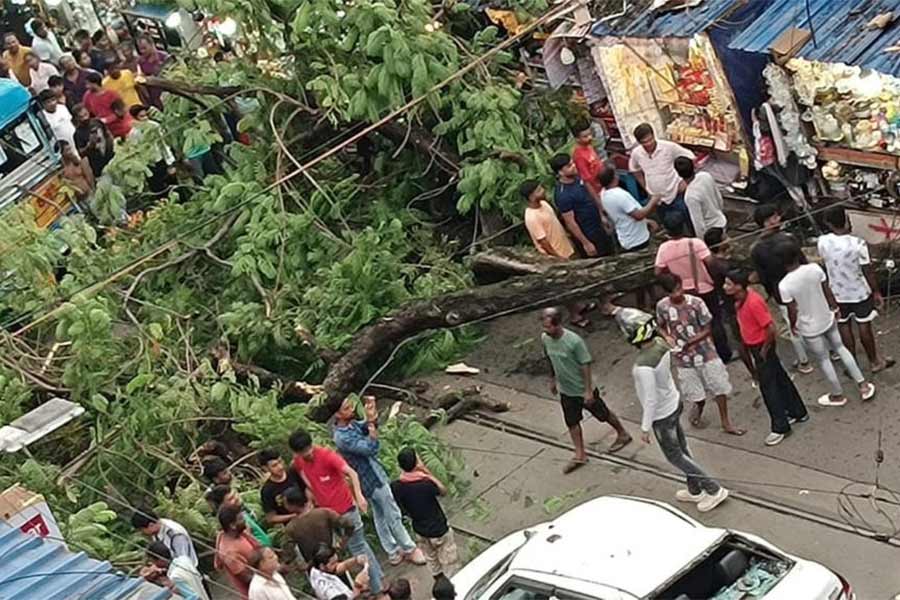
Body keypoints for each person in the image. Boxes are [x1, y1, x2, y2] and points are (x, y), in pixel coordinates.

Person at [613, 305, 728, 512]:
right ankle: (695, 490)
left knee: (675, 456)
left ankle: (713, 489)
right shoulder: (660, 344)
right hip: (674, 402)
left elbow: (650, 399)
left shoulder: (643, 366)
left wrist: (645, 427)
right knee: (682, 450)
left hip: (661, 415)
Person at [778, 240, 875, 406]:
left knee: (823, 359)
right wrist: (835, 307)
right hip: (826, 317)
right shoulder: (815, 269)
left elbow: (792, 309)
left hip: (809, 327)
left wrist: (793, 325)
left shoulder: (784, 285)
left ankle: (837, 395)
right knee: (841, 348)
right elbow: (827, 290)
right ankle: (863, 385)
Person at [333, 394, 425, 566]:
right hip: (371, 478)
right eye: (346, 408)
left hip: (371, 474)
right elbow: (370, 448)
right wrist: (371, 427)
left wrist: (371, 418)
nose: (352, 409)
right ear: (337, 415)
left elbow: (366, 427)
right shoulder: (342, 437)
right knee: (393, 513)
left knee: (380, 515)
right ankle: (409, 548)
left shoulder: (350, 425)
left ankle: (392, 551)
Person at [289, 429, 384, 594]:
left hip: (346, 509)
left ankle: (378, 589)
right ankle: (377, 579)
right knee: (355, 548)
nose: (308, 454)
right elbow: (303, 477)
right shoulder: (298, 462)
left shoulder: (327, 456)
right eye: (304, 453)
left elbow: (351, 473)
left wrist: (359, 496)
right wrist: (311, 497)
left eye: (309, 449)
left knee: (358, 547)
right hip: (327, 516)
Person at [540, 307, 632, 472]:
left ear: (558, 324)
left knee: (603, 414)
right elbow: (549, 358)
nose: (546, 330)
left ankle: (622, 433)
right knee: (572, 422)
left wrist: (588, 390)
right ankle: (580, 454)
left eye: (549, 327)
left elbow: (586, 364)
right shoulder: (545, 339)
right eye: (544, 327)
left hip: (582, 389)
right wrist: (552, 379)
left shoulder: (574, 341)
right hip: (566, 390)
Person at [725, 269, 809, 446]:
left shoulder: (753, 302)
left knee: (769, 387)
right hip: (757, 346)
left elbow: (770, 328)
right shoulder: (741, 302)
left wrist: (764, 349)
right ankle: (797, 411)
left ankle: (780, 426)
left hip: (761, 347)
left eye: (729, 284)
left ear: (739, 286)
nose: (725, 287)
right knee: (780, 378)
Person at [655, 273, 743, 435]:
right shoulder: (662, 306)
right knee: (695, 392)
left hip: (705, 352)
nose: (677, 294)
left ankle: (726, 422)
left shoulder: (696, 303)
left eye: (678, 289)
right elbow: (659, 325)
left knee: (719, 387)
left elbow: (707, 329)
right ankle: (698, 407)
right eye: (672, 292)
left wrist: (692, 341)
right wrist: (667, 336)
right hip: (683, 358)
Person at [818, 205, 893, 372]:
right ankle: (874, 362)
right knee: (864, 326)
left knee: (844, 327)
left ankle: (852, 365)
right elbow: (868, 271)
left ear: (828, 224)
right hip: (859, 293)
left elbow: (825, 263)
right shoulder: (858, 243)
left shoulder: (823, 242)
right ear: (846, 221)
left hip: (837, 293)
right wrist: (876, 292)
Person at [654, 211, 732, 362]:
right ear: (683, 226)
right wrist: (716, 281)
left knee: (692, 322)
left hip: (682, 290)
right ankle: (724, 354)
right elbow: (711, 262)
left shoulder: (664, 248)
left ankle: (701, 353)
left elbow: (657, 271)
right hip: (704, 288)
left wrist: (672, 278)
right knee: (714, 320)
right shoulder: (695, 243)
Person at [750, 204, 812, 373]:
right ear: (765, 222)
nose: (778, 219)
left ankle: (804, 362)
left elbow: (763, 277)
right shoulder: (788, 238)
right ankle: (828, 350)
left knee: (793, 325)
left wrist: (771, 293)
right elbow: (803, 261)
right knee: (811, 316)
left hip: (780, 292)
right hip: (800, 285)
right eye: (774, 217)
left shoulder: (756, 249)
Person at [521, 180, 589, 327]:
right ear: (531, 197)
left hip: (566, 247)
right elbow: (543, 241)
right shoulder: (531, 217)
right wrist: (556, 257)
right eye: (538, 190)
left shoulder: (545, 204)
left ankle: (580, 305)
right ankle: (574, 315)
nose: (542, 191)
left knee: (574, 279)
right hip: (556, 254)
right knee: (564, 287)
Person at [391, 448, 461, 579]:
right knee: (450, 564)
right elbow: (443, 491)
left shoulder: (396, 486)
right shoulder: (425, 483)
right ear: (416, 463)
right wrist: (427, 473)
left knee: (432, 562)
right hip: (438, 529)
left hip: (420, 530)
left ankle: (439, 583)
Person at [704, 228, 755, 379]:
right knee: (744, 339)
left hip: (726, 304)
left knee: (740, 338)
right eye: (725, 237)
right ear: (720, 244)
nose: (729, 239)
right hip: (735, 304)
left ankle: (753, 372)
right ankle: (755, 371)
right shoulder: (725, 266)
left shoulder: (712, 262)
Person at [628, 123, 695, 228]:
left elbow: (690, 157)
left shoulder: (668, 147)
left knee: (689, 222)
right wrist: (646, 187)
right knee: (668, 225)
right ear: (639, 142)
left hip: (675, 195)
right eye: (645, 142)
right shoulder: (636, 153)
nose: (649, 144)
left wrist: (686, 181)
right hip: (657, 199)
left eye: (650, 140)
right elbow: (634, 169)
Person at [549, 153, 613, 257]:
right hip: (588, 233)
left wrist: (601, 214)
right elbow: (570, 222)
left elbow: (590, 192)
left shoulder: (577, 178)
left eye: (572, 163)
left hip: (598, 226)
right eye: (569, 166)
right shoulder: (562, 195)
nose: (574, 166)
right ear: (560, 172)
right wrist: (586, 243)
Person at [281, 485, 354, 563]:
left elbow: (289, 552)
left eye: (285, 503)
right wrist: (343, 542)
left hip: (314, 566)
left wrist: (299, 566)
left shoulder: (291, 527)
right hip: (333, 559)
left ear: (292, 504)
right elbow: (349, 524)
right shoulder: (324, 512)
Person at [598, 165, 658, 252]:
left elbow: (624, 215)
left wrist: (646, 221)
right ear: (614, 177)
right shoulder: (619, 195)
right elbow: (638, 215)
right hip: (637, 239)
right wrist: (653, 200)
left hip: (626, 236)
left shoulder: (603, 193)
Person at [215, 504, 262, 599]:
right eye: (241, 518)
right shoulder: (229, 553)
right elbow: (247, 578)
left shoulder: (237, 533)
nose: (245, 520)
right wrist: (272, 576)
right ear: (232, 525)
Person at [129, 104, 177, 194]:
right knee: (158, 189)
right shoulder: (134, 133)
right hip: (149, 164)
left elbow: (163, 144)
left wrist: (170, 162)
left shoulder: (154, 126)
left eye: (146, 115)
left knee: (173, 186)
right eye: (142, 116)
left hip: (161, 160)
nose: (145, 118)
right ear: (136, 118)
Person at [675, 156, 726, 239]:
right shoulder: (705, 176)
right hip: (720, 220)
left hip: (710, 229)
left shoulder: (690, 196)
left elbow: (698, 223)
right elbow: (719, 198)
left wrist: (701, 241)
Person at [205, 485, 272, 547]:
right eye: (231, 499)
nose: (236, 498)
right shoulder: (232, 522)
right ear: (221, 506)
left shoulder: (240, 512)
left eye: (235, 494)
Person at [142, 540, 210, 600]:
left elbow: (193, 597)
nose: (153, 564)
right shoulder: (184, 559)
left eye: (153, 561)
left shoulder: (175, 576)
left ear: (160, 560)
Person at [131, 510, 199, 567]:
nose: (143, 533)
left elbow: (183, 560)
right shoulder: (156, 531)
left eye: (142, 530)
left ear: (151, 525)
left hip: (188, 571)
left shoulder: (176, 535)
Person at [258, 448, 302, 526]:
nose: (280, 467)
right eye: (274, 465)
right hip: (294, 525)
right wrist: (295, 516)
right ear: (265, 468)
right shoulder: (267, 490)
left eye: (280, 462)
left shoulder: (293, 472)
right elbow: (271, 518)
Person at [571, 120, 606, 199]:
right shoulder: (579, 156)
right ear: (577, 139)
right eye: (585, 137)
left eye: (590, 134)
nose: (590, 138)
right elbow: (587, 181)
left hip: (602, 184)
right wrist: (597, 200)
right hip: (597, 191)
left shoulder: (589, 147)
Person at [136, 35, 170, 107]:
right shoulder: (141, 61)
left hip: (168, 90)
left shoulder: (163, 56)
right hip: (154, 95)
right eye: (140, 49)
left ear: (151, 44)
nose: (142, 51)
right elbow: (141, 78)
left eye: (144, 48)